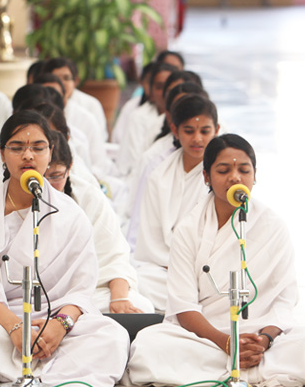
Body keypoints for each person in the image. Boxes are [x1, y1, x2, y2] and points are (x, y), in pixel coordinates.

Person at [0, 110, 130, 386]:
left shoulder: (71, 213)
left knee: (112, 336)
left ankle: (26, 374)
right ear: (2, 155)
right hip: (1, 323)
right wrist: (15, 326)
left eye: (37, 147)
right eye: (17, 147)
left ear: (50, 151)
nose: (28, 156)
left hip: (57, 322)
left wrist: (60, 326)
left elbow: (82, 289)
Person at [125, 134, 305, 386]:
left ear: (255, 175)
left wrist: (263, 340)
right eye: (223, 170)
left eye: (244, 170)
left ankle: (241, 367)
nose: (235, 177)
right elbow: (184, 306)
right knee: (149, 346)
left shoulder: (273, 226)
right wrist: (227, 342)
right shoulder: (189, 228)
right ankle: (249, 371)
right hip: (207, 337)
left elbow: (284, 299)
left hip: (262, 338)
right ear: (206, 176)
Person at [45, 132, 153, 314]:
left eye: (56, 176)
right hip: (35, 298)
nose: (47, 185)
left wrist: (119, 298)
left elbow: (113, 255)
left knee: (143, 306)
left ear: (70, 167)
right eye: (41, 177)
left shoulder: (88, 197)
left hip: (89, 292)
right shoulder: (13, 201)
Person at [134, 94, 220, 311]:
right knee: (138, 282)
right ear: (175, 130)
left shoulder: (222, 174)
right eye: (189, 131)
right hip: (162, 272)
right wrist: (172, 266)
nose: (197, 139)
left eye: (205, 131)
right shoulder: (159, 176)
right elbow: (149, 241)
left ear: (217, 130)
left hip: (207, 269)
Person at [115, 62, 179, 177]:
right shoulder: (138, 117)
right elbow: (134, 162)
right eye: (159, 87)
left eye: (169, 88)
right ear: (150, 91)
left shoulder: (186, 120)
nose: (165, 93)